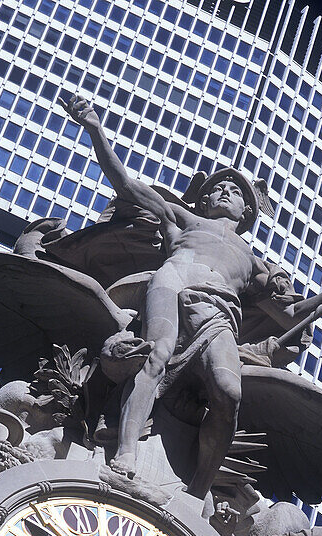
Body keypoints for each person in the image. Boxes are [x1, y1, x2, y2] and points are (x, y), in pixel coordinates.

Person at [64, 94, 300, 499]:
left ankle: (198, 489)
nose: (225, 192)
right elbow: (126, 183)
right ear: (203, 200)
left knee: (229, 393)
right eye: (218, 188)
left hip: (221, 311)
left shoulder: (256, 263)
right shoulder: (183, 217)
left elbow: (292, 314)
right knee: (155, 355)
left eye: (235, 191)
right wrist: (94, 128)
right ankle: (126, 453)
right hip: (173, 283)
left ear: (247, 212)